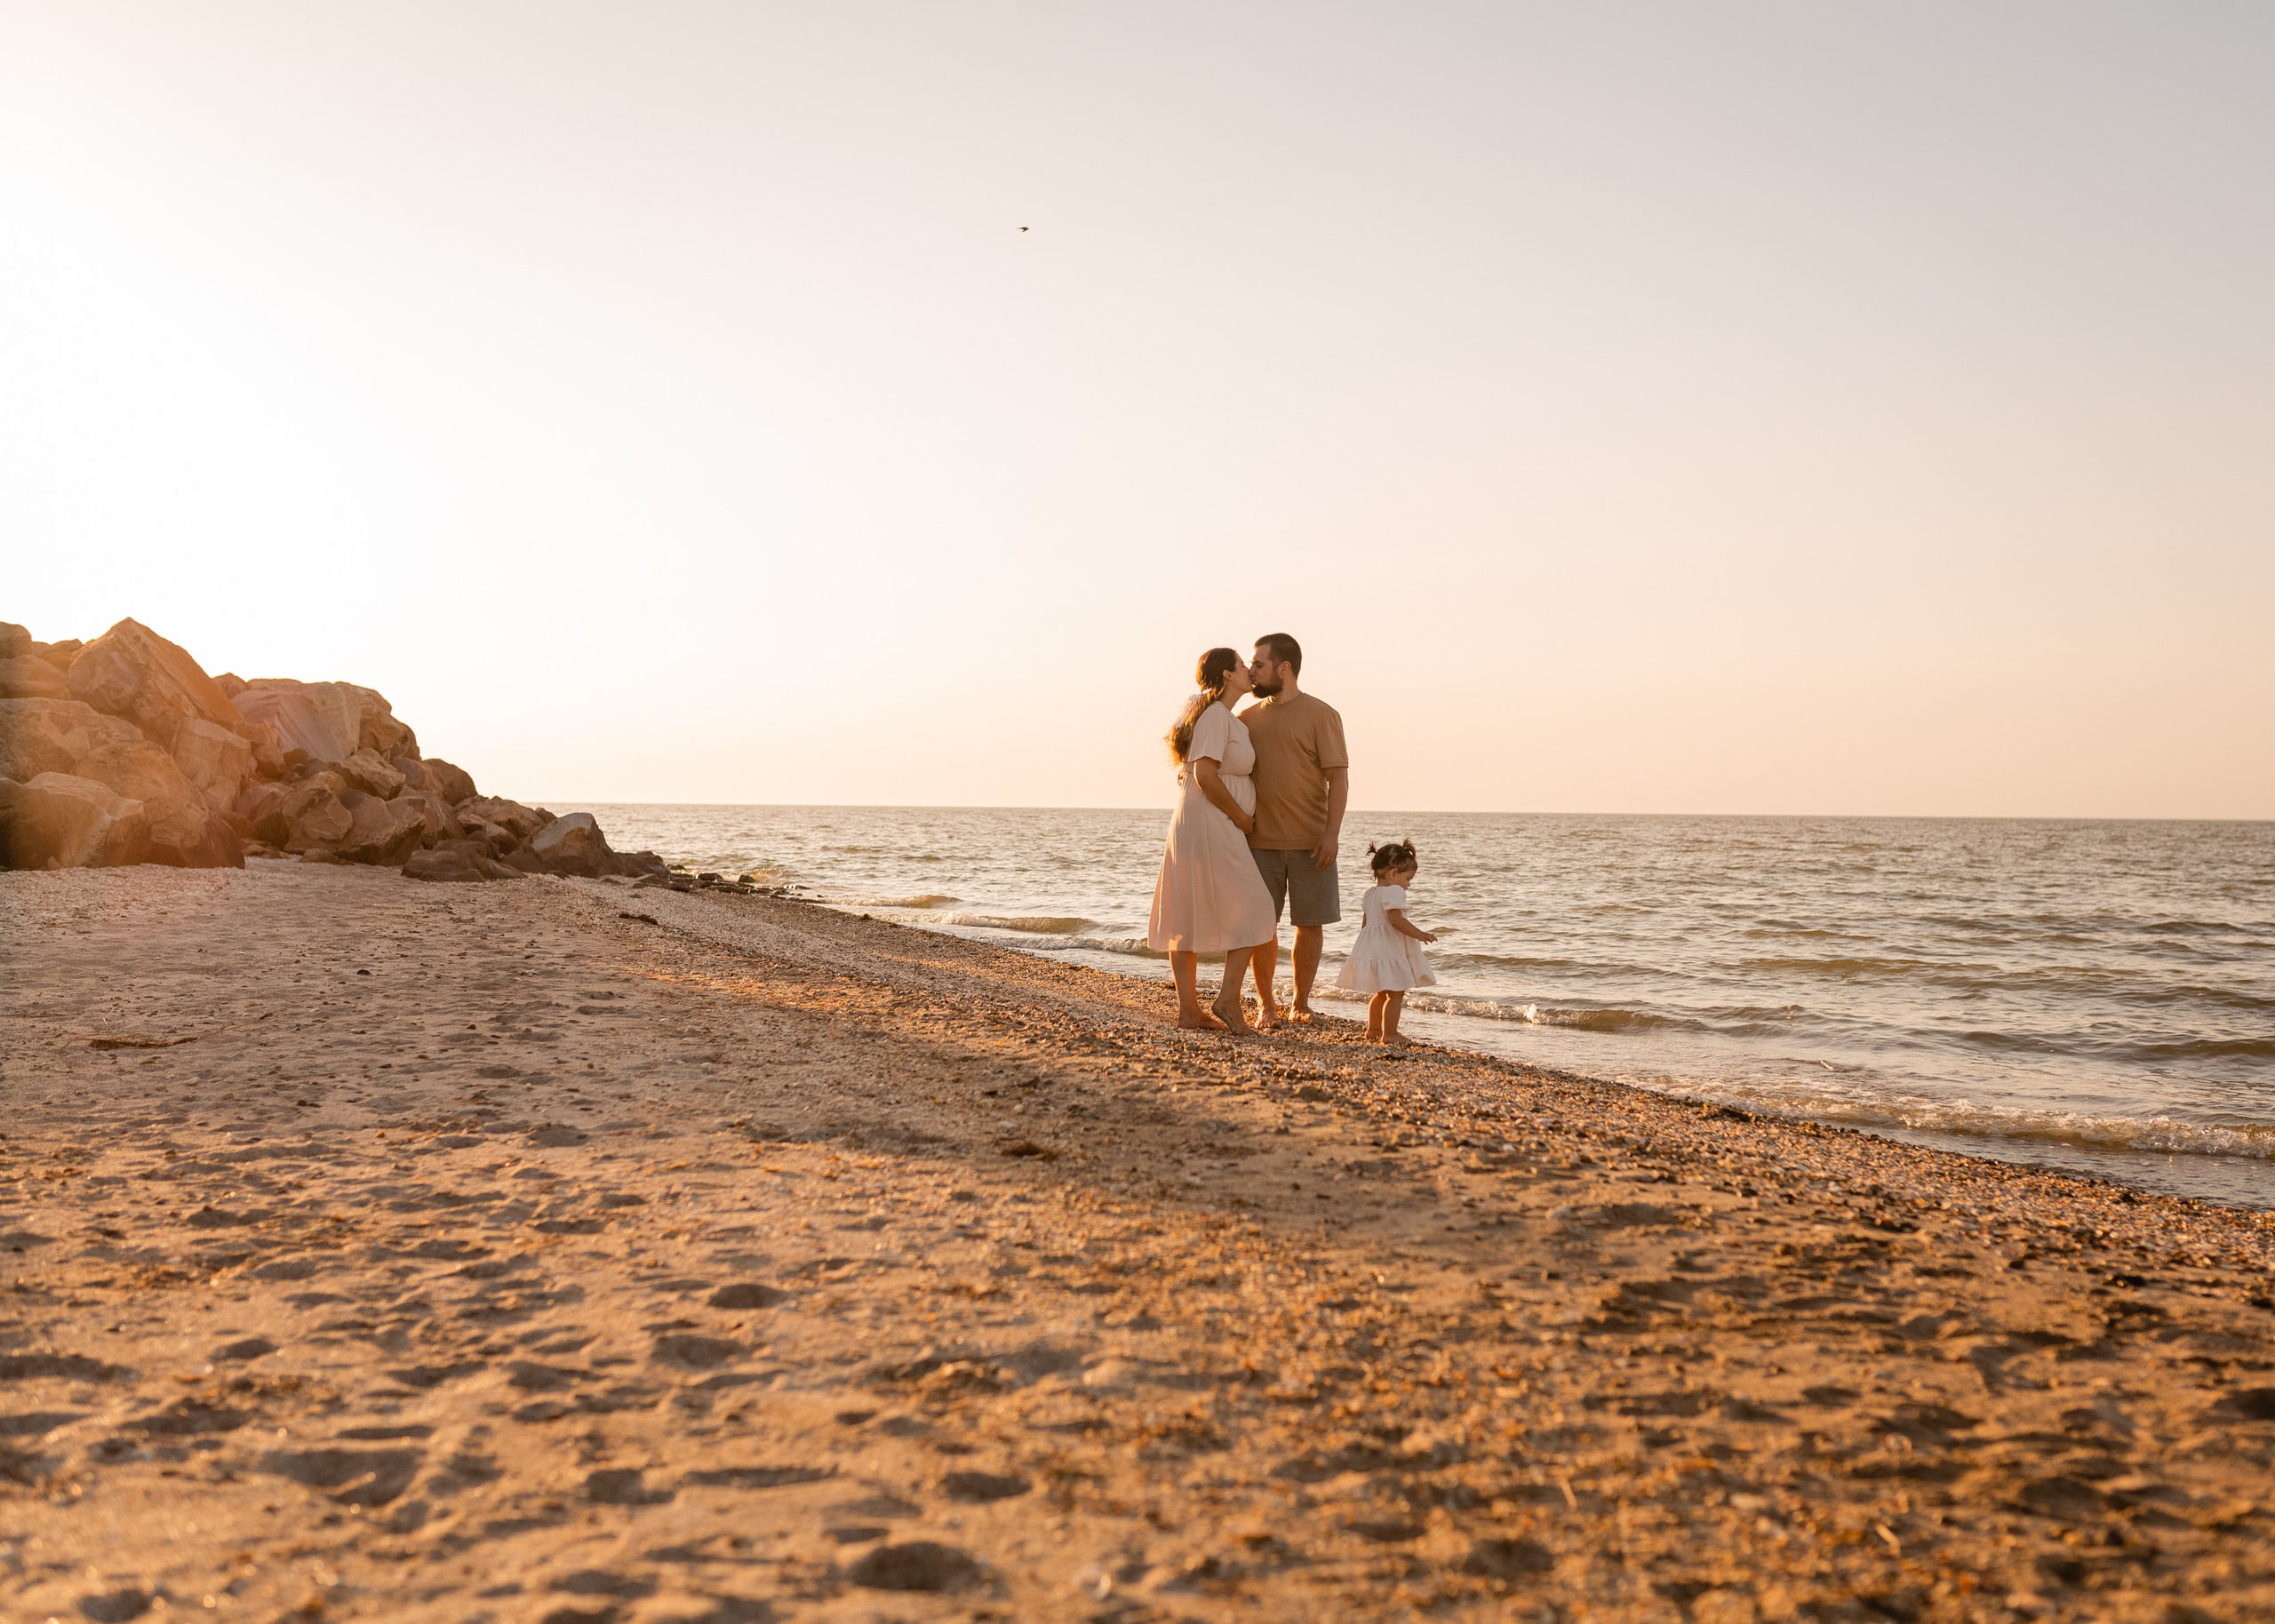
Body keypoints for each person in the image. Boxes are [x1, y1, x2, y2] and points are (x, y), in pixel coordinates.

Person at [1146, 647, 1279, 1033]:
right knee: (1257, 906)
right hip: (1211, 820)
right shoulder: (1217, 715)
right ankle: (1226, 1001)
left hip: (1206, 818)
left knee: (1189, 908)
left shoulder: (1223, 717)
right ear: (1227, 675)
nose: (1249, 670)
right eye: (1242, 664)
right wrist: (1240, 817)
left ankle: (1191, 1011)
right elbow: (1205, 774)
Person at [1236, 633, 1348, 1027]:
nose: (1251, 671)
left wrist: (1331, 834)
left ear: (1284, 668)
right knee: (1260, 926)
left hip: (1311, 843)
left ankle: (1300, 1003)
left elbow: (1338, 779)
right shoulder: (1246, 719)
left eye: (1259, 664)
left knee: (1310, 925)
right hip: (1258, 843)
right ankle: (1266, 1006)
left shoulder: (1322, 715)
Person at [1337, 838, 1438, 1047]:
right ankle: (1390, 1033)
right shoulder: (1395, 891)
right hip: (1391, 949)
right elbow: (1395, 920)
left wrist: (1368, 949)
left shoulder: (1370, 893)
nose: (1408, 885)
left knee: (1381, 992)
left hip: (1376, 948)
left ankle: (1373, 1030)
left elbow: (1366, 924)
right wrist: (1419, 934)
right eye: (1408, 879)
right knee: (1396, 993)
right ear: (1393, 874)